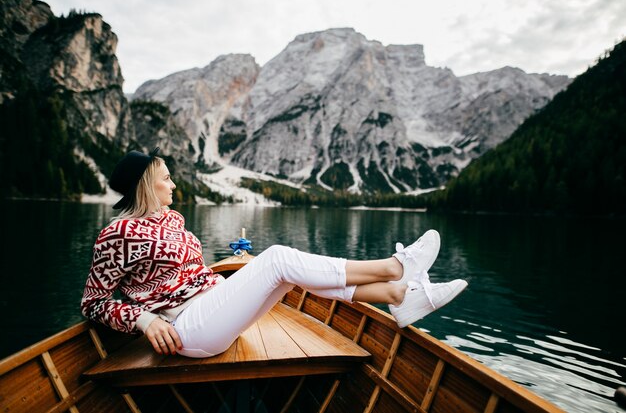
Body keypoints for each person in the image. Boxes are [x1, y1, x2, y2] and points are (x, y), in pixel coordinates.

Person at [81, 148, 468, 358]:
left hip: (211, 307)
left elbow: (191, 275)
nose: (173, 184)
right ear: (146, 184)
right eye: (165, 178)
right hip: (186, 331)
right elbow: (93, 302)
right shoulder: (117, 233)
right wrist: (145, 321)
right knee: (279, 259)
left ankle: (396, 295)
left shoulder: (173, 220)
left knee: (287, 274)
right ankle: (394, 267)